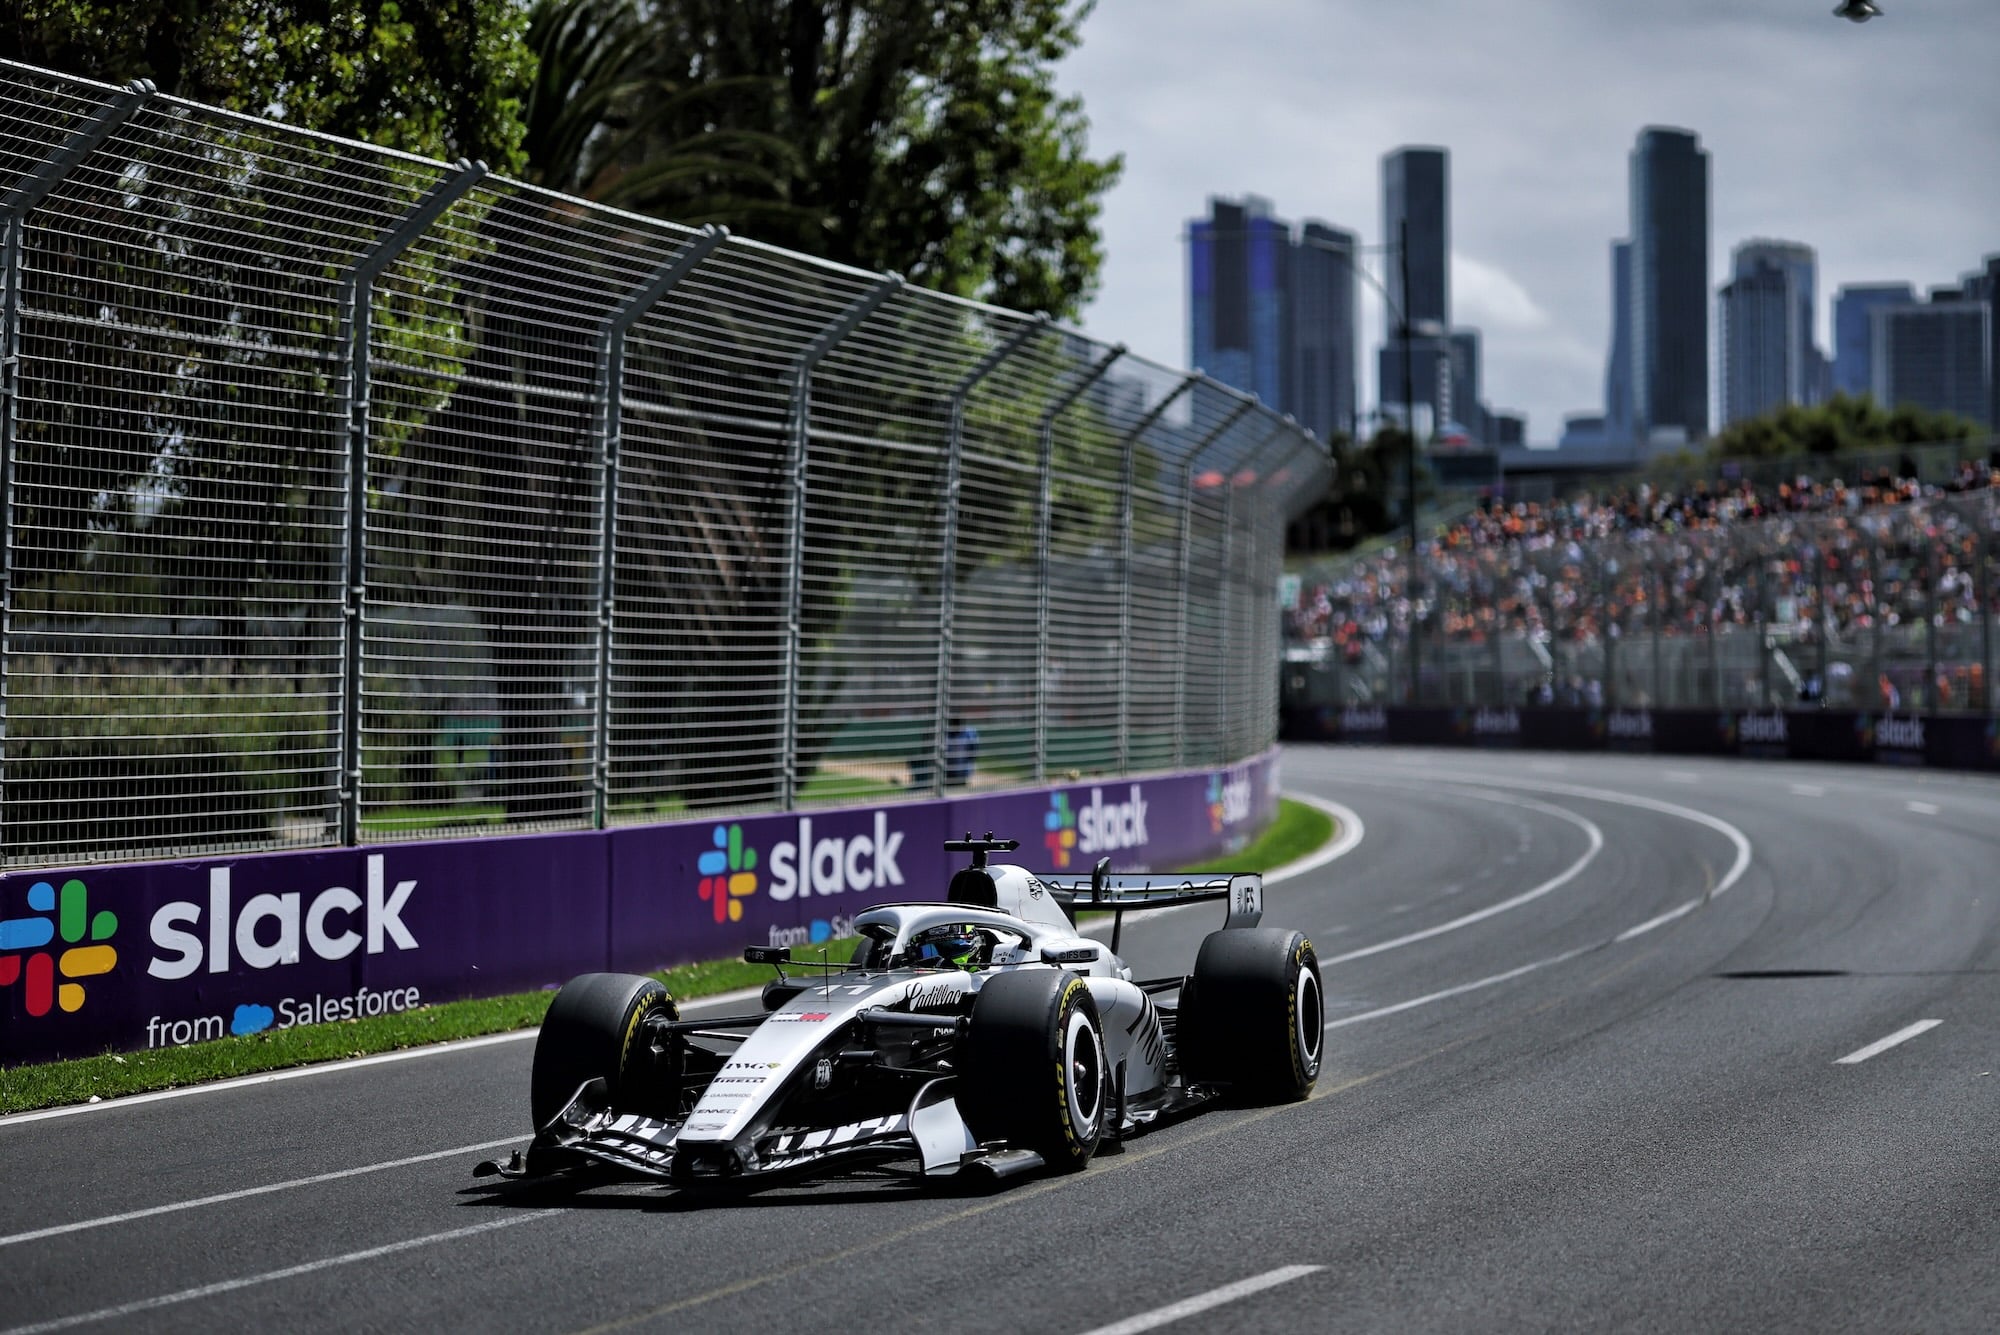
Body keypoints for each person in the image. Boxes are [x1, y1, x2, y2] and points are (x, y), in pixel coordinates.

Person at [945, 715, 979, 787]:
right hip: (948, 771)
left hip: (962, 770)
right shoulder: (946, 734)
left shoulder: (969, 734)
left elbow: (974, 751)